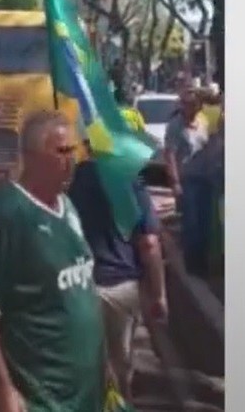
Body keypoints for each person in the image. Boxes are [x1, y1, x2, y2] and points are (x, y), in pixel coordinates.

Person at [0, 110, 106, 412]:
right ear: (32, 156)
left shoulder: (68, 206)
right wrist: (2, 389)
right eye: (61, 151)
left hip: (84, 394)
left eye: (73, 151)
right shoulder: (8, 214)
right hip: (41, 398)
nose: (71, 160)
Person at [68, 133, 167, 401]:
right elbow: (148, 244)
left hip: (76, 284)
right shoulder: (130, 182)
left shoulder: (71, 180)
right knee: (119, 366)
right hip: (121, 288)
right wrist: (158, 294)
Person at [163, 87, 211, 276]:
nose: (190, 108)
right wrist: (175, 182)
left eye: (194, 104)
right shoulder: (175, 126)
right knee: (191, 224)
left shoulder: (203, 122)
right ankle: (193, 265)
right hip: (187, 181)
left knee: (205, 223)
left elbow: (207, 148)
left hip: (205, 179)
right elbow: (170, 155)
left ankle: (203, 262)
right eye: (186, 104)